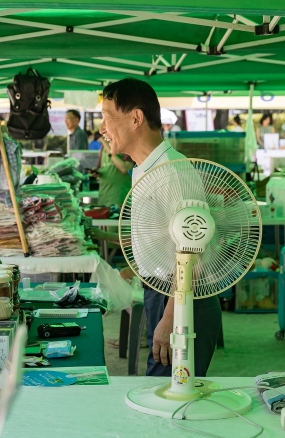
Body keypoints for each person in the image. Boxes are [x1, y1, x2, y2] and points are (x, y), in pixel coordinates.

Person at [100, 78, 221, 378]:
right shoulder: (144, 168)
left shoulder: (174, 171)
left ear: (136, 118)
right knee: (160, 393)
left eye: (107, 119)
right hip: (163, 292)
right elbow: (161, 240)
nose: (102, 129)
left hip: (183, 297)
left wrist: (171, 318)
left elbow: (194, 253)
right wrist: (131, 272)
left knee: (170, 396)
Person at [92, 130, 134, 206]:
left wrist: (109, 151)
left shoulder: (128, 142)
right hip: (103, 198)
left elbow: (125, 169)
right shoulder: (104, 144)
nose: (102, 129)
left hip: (120, 199)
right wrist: (96, 172)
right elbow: (101, 167)